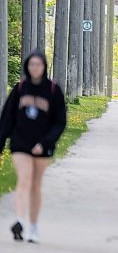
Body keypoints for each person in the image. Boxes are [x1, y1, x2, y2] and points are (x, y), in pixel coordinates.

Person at [0, 50, 66, 243]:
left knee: (35, 184)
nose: (34, 68)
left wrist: (45, 142)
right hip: (20, 143)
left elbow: (60, 122)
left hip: (42, 145)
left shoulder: (53, 90)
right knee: (24, 179)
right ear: (27, 66)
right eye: (31, 64)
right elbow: (7, 118)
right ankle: (19, 220)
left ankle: (34, 227)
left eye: (38, 64)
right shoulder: (20, 88)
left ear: (44, 67)